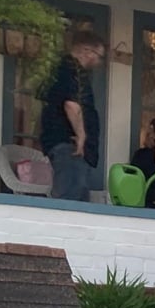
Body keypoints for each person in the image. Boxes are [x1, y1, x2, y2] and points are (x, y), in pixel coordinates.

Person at [41, 32, 105, 202]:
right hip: (70, 145)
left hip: (64, 144)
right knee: (70, 198)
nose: (98, 62)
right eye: (98, 57)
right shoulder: (72, 70)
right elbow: (72, 105)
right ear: (86, 51)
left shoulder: (61, 70)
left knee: (76, 196)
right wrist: (81, 135)